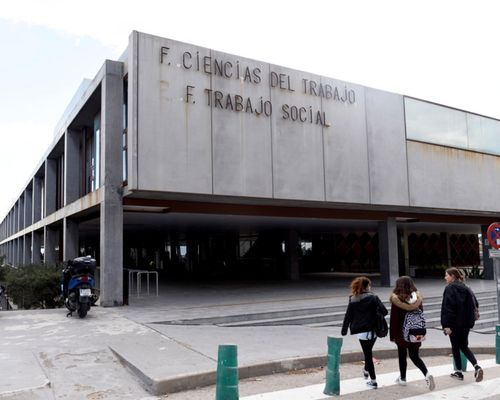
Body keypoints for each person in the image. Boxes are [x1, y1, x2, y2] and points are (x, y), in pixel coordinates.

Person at [389, 276, 435, 391]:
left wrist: (392, 335)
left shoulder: (397, 300)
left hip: (401, 333)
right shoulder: (417, 299)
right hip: (416, 332)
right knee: (415, 356)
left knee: (402, 355)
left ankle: (403, 378)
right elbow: (421, 314)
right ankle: (427, 374)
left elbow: (394, 320)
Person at [341, 276, 387, 389]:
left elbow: (348, 316)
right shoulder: (374, 298)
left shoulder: (353, 299)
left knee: (368, 354)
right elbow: (384, 311)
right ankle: (366, 371)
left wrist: (344, 329)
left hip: (361, 331)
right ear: (367, 286)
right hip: (374, 330)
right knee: (368, 353)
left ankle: (373, 380)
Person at [441, 267, 483, 382]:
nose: (445, 277)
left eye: (446, 275)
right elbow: (475, 304)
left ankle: (458, 372)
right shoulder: (466, 288)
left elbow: (448, 308)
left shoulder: (449, 288)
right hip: (466, 323)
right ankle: (477, 367)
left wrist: (446, 325)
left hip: (454, 324)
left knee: (455, 347)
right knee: (463, 346)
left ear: (452, 276)